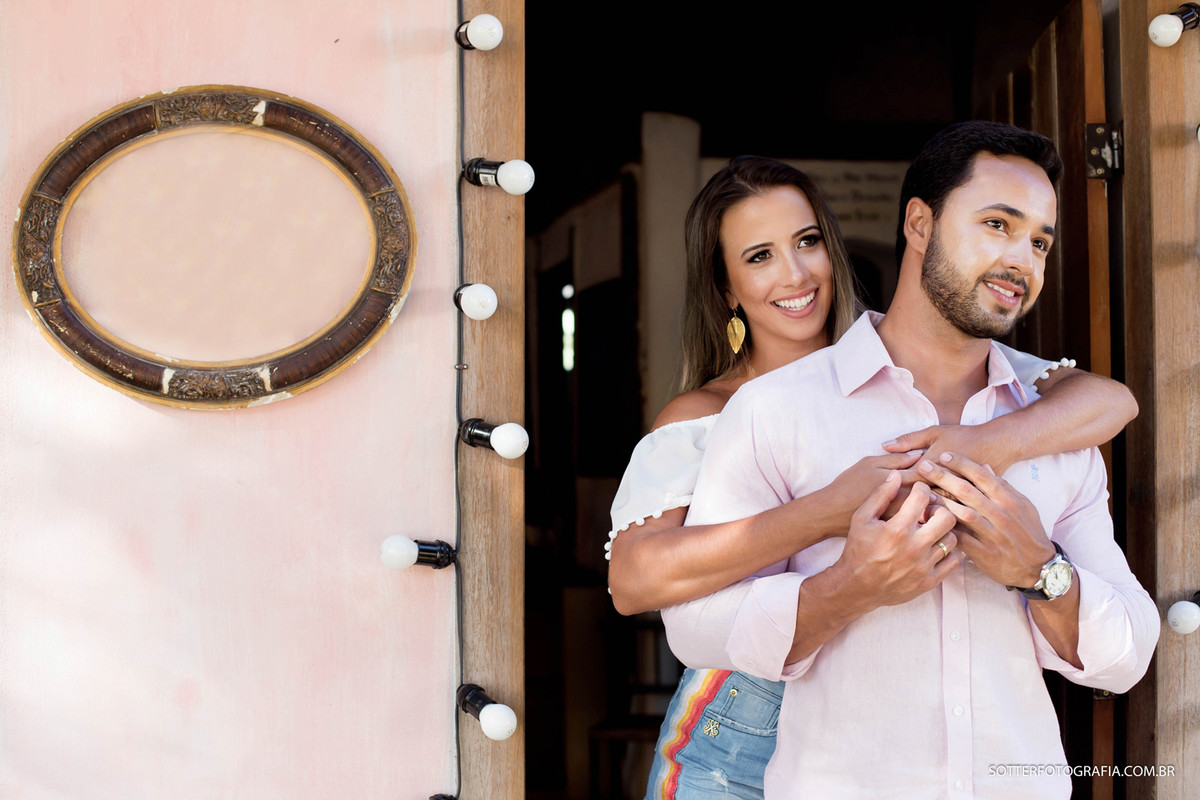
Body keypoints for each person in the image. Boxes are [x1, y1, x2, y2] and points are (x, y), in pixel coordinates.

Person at [608, 154, 1140, 800]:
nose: (795, 273)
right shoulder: (712, 413)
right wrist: (827, 512)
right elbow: (633, 580)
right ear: (726, 290)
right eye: (759, 257)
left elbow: (1112, 403)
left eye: (806, 243)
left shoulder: (937, 365)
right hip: (736, 722)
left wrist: (977, 445)